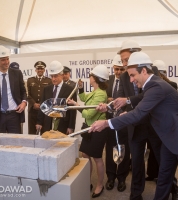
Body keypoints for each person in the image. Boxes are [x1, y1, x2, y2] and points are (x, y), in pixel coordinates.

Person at [90, 51, 178, 200]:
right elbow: (139, 106)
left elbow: (138, 113)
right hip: (168, 138)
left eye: (132, 75)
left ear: (143, 71)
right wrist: (113, 108)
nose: (131, 80)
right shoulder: (150, 86)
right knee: (164, 175)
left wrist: (106, 123)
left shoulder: (156, 86)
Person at [68, 65, 109, 198]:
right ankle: (87, 181)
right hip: (88, 129)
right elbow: (85, 99)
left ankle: (99, 185)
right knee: (85, 155)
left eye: (91, 75)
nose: (89, 77)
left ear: (95, 78)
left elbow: (88, 114)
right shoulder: (94, 91)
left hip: (97, 130)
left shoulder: (101, 94)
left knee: (97, 158)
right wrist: (80, 89)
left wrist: (75, 105)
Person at [146, 61, 178, 181]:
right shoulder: (150, 87)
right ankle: (153, 174)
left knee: (165, 160)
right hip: (153, 127)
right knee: (153, 154)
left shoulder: (171, 85)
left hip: (165, 127)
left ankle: (174, 188)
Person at [105, 55, 130, 192]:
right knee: (110, 149)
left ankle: (121, 178)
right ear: (113, 68)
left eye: (121, 69)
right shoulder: (108, 80)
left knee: (124, 149)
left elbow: (132, 99)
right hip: (110, 121)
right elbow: (101, 97)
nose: (119, 72)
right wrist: (108, 100)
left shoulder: (129, 80)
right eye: (116, 69)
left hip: (125, 121)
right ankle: (110, 177)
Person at [0, 45, 27, 134]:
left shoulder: (17, 73)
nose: (6, 62)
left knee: (16, 142)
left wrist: (24, 102)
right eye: (3, 60)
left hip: (14, 115)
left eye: (7, 59)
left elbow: (23, 91)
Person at [36, 61, 77, 135]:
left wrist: (71, 127)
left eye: (55, 76)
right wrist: (39, 122)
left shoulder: (70, 90)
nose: (53, 79)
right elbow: (43, 107)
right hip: (47, 125)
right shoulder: (46, 89)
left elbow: (72, 110)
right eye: (52, 76)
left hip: (63, 125)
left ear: (62, 75)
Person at [27, 61, 52, 134]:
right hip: (33, 110)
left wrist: (42, 104)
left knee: (45, 132)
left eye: (41, 69)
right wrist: (33, 103)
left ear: (44, 70)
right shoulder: (30, 80)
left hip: (44, 109)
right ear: (35, 70)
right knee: (32, 132)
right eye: (38, 69)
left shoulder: (49, 80)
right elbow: (27, 94)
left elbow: (49, 95)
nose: (40, 70)